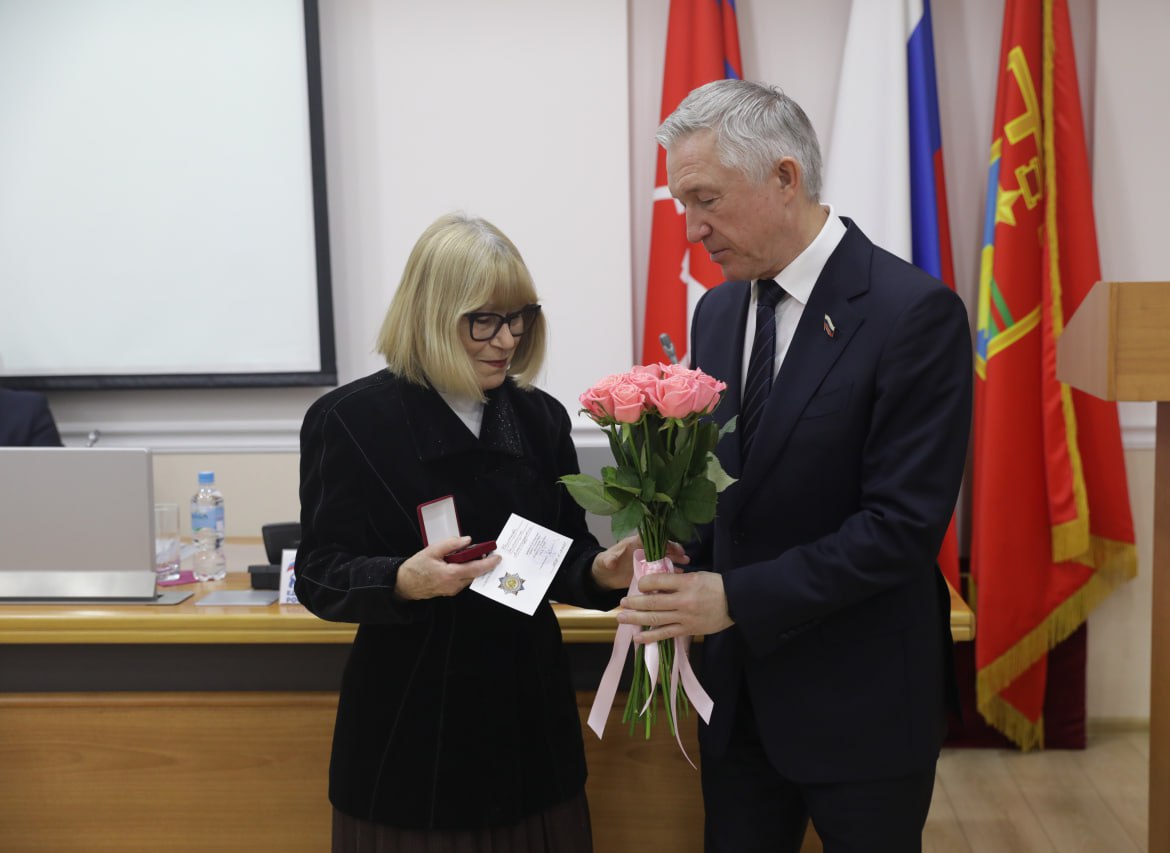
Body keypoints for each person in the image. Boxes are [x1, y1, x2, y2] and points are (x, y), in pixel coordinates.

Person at [616, 80, 972, 852]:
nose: (692, 228)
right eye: (682, 203)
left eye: (705, 198)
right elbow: (736, 489)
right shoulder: (717, 310)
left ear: (785, 177)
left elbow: (899, 528)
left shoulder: (914, 313)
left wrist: (733, 596)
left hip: (864, 707)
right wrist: (671, 545)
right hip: (741, 706)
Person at [295, 213, 649, 852]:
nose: (506, 339)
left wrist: (603, 572)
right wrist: (401, 580)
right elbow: (318, 573)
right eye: (483, 319)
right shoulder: (349, 421)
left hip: (528, 732)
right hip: (412, 736)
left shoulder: (539, 418)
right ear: (432, 314)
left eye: (519, 318)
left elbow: (561, 554)